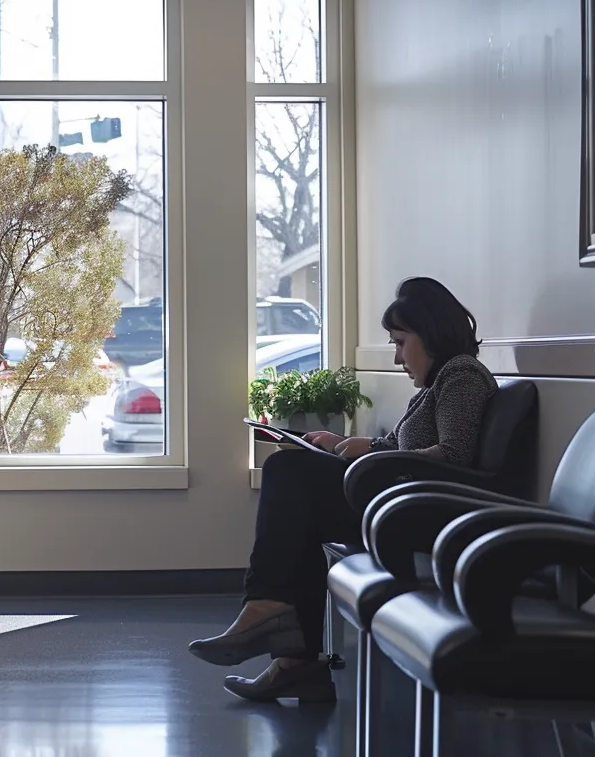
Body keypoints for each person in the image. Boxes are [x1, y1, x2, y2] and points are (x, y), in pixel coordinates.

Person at [188, 277, 499, 703]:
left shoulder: (461, 375)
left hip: (416, 513)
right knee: (295, 490)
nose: (396, 357)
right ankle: (290, 656)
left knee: (287, 473)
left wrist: (373, 455)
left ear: (430, 335)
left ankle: (272, 623)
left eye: (400, 342)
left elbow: (454, 456)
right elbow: (410, 447)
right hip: (401, 501)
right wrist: (352, 445)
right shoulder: (439, 382)